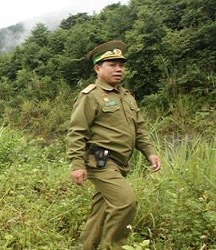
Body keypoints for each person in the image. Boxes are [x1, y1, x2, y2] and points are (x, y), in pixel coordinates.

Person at [67, 40, 162, 249]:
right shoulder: (90, 96)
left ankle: (87, 246)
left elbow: (140, 129)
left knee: (101, 209)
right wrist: (77, 164)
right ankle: (112, 246)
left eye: (121, 64)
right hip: (100, 160)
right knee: (125, 201)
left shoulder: (126, 96)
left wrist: (151, 153)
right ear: (97, 68)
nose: (118, 69)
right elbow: (77, 131)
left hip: (120, 163)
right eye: (112, 64)